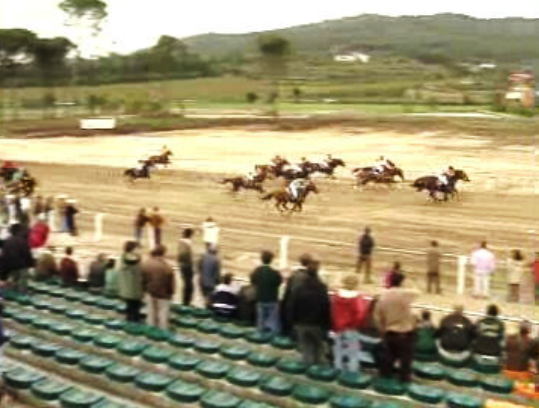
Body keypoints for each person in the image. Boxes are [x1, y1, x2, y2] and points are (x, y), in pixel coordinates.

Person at [374, 272, 419, 382]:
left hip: (390, 332)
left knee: (388, 361)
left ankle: (386, 381)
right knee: (405, 363)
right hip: (405, 333)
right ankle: (404, 380)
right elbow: (418, 292)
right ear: (402, 282)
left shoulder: (383, 297)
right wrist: (410, 283)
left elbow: (377, 317)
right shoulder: (406, 294)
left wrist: (382, 331)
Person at [291, 260, 331, 366]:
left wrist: (294, 321)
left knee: (306, 351)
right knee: (318, 351)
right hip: (317, 324)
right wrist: (326, 325)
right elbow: (326, 307)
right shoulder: (322, 288)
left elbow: (293, 306)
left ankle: (308, 372)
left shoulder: (299, 288)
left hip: (302, 323)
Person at [331, 274, 370, 372]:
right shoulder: (358, 298)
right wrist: (356, 325)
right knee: (353, 352)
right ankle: (352, 371)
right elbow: (360, 314)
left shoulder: (336, 296)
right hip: (351, 328)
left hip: (337, 327)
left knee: (338, 350)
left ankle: (338, 368)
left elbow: (332, 311)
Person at [142, 245, 175, 330]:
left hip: (150, 292)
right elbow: (171, 283)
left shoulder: (146, 263)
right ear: (163, 254)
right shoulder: (166, 267)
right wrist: (171, 293)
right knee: (163, 315)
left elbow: (142, 279)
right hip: (163, 294)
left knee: (151, 314)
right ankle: (162, 332)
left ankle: (150, 331)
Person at [250, 250, 283, 335]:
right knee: (273, 322)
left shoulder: (257, 271)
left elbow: (253, 281)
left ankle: (260, 336)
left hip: (260, 299)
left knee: (260, 321)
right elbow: (279, 282)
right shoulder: (275, 273)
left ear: (261, 259)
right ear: (271, 260)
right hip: (272, 299)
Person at [282, 253, 312, 337]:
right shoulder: (310, 277)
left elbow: (287, 290)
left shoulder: (294, 274)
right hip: (302, 305)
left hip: (291, 303)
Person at [1, 223, 34, 293]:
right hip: (21, 267)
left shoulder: (7, 241)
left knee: (14, 283)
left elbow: (4, 256)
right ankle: (22, 295)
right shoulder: (23, 241)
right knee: (22, 284)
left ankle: (15, 297)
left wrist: (4, 272)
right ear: (19, 231)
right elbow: (27, 254)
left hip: (10, 267)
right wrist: (31, 264)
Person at [118, 241, 144, 323]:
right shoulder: (133, 261)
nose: (139, 250)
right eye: (138, 248)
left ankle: (130, 321)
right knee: (134, 308)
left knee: (130, 307)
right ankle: (134, 323)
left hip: (128, 289)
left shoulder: (124, 258)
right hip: (133, 289)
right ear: (133, 249)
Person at [178, 228, 195, 306]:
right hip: (187, 266)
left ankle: (185, 302)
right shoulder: (187, 243)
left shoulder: (181, 242)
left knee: (186, 285)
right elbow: (186, 256)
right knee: (189, 286)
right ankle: (186, 302)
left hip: (182, 265)